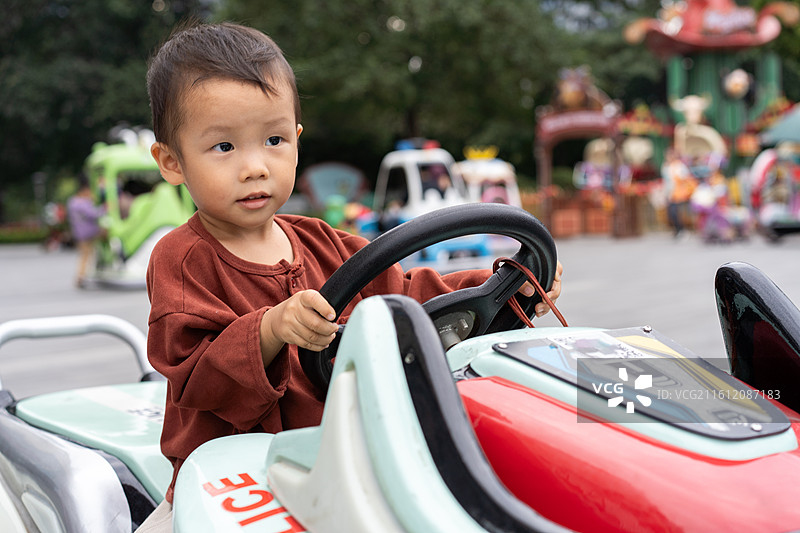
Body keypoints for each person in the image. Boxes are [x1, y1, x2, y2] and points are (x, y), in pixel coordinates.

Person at [138, 22, 562, 531]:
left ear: (296, 139)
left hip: (343, 464)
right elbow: (194, 377)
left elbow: (407, 296)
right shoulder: (182, 260)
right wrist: (270, 329)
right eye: (224, 147)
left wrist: (507, 287)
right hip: (233, 486)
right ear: (171, 161)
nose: (255, 167)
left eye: (273, 140)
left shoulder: (326, 241)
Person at [66, 175, 105, 288]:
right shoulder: (81, 203)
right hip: (87, 233)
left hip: (79, 233)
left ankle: (82, 276)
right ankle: (81, 277)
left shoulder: (72, 202)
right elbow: (94, 214)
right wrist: (105, 208)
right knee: (86, 255)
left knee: (85, 255)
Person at [661, 148, 697, 238]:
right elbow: (666, 182)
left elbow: (685, 178)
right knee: (670, 213)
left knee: (675, 212)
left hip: (679, 193)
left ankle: (681, 230)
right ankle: (677, 230)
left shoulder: (679, 166)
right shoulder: (666, 166)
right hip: (670, 193)